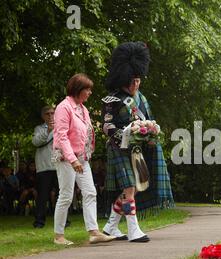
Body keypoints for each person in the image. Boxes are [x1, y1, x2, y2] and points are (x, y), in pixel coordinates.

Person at [101, 42, 175, 242]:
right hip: (119, 148)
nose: (135, 85)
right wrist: (126, 133)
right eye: (131, 81)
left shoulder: (141, 98)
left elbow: (148, 120)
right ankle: (133, 230)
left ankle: (110, 227)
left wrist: (149, 134)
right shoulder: (112, 100)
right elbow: (106, 127)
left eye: (137, 80)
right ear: (123, 79)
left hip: (137, 149)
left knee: (131, 188)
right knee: (129, 188)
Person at [52, 73, 115, 245]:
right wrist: (72, 159)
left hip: (82, 158)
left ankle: (94, 232)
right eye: (87, 89)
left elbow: (86, 133)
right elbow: (61, 136)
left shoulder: (83, 108)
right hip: (67, 158)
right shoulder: (64, 107)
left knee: (90, 192)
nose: (90, 93)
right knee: (66, 195)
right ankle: (59, 236)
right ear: (77, 90)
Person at [32, 106, 60, 227]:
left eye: (52, 113)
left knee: (61, 195)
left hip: (59, 165)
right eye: (47, 114)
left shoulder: (61, 126)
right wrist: (48, 130)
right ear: (43, 116)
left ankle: (63, 221)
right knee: (43, 196)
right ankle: (39, 221)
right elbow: (36, 142)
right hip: (44, 167)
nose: (50, 116)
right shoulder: (39, 128)